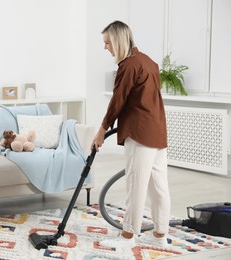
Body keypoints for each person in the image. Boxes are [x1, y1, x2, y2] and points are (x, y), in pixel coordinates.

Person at [91, 20, 171, 248]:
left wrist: (101, 131)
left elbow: (117, 102)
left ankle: (128, 236)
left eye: (107, 43)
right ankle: (159, 236)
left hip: (140, 132)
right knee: (158, 187)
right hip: (157, 132)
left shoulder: (128, 66)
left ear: (117, 40)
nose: (105, 47)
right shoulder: (149, 62)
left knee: (135, 186)